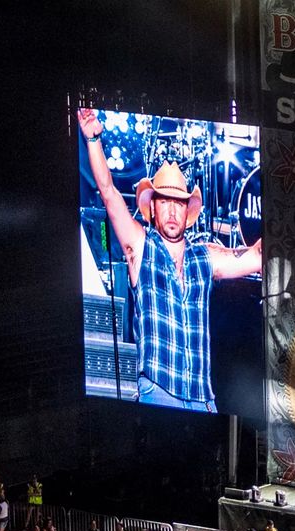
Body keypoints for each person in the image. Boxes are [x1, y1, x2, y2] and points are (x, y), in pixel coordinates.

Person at [77, 109, 262, 412]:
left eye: (179, 203)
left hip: (204, 401)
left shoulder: (204, 256)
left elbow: (255, 256)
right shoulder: (142, 246)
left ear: (187, 211)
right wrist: (93, 138)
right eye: (166, 202)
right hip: (158, 392)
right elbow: (109, 194)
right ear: (154, 208)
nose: (173, 211)